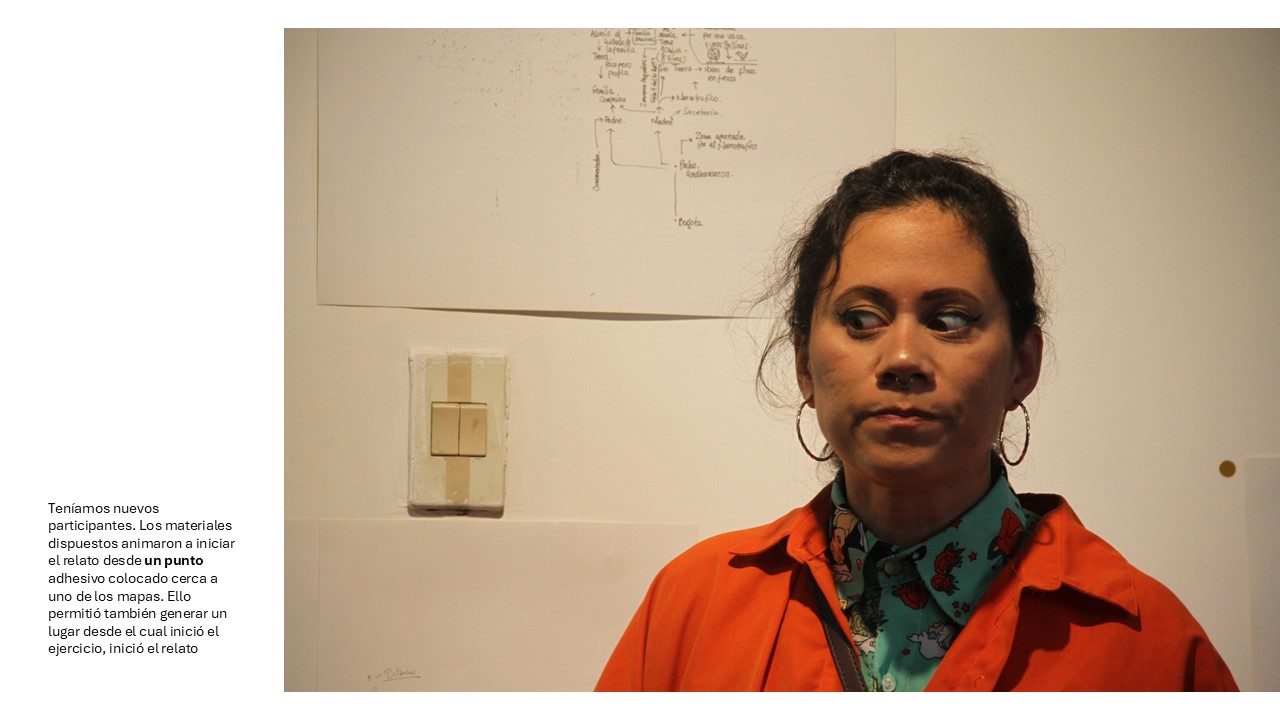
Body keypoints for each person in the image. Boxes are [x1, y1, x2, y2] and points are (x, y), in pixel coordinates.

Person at [595, 150, 1238, 691]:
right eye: (861, 319)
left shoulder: (1149, 644)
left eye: (950, 319)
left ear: (1022, 364)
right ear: (803, 364)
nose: (903, 358)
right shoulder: (694, 606)